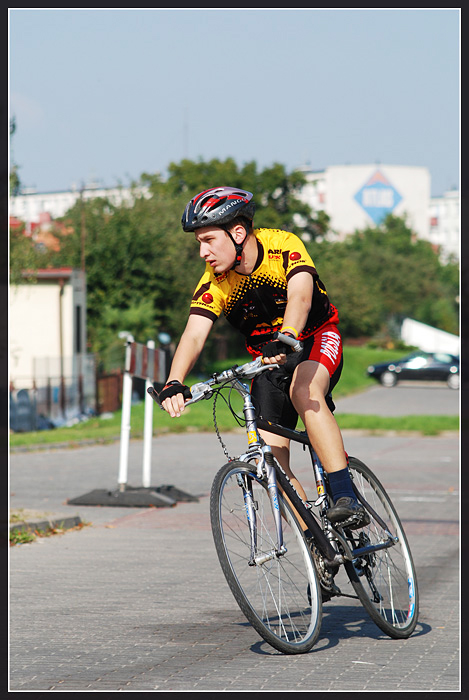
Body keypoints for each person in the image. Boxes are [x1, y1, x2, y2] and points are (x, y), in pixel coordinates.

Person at [158, 186, 369, 528]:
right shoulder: (216, 282)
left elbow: (300, 296)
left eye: (208, 240)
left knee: (304, 391)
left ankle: (346, 496)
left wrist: (287, 336)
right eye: (199, 242)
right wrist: (174, 381)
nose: (202, 252)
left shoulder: (281, 245)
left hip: (315, 338)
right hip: (268, 363)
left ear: (238, 233)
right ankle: (315, 542)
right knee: (270, 460)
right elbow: (194, 334)